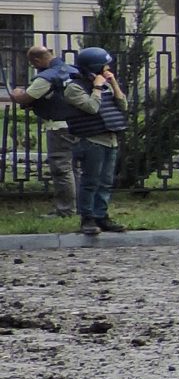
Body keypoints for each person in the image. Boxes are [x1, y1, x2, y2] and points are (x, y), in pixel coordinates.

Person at [58, 47, 130, 237]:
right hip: (91, 140)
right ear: (94, 67)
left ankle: (101, 216)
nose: (108, 69)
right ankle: (87, 218)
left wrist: (113, 83)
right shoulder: (74, 87)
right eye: (105, 66)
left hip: (110, 139)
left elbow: (123, 105)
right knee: (91, 181)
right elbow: (91, 108)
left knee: (106, 182)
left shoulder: (105, 83)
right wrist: (97, 87)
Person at [9, 44, 79, 217]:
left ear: (37, 60)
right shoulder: (73, 70)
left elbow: (26, 97)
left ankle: (66, 210)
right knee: (75, 168)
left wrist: (17, 93)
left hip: (59, 127)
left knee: (61, 168)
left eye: (34, 64)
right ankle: (80, 207)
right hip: (79, 124)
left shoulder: (46, 77)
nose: (35, 67)